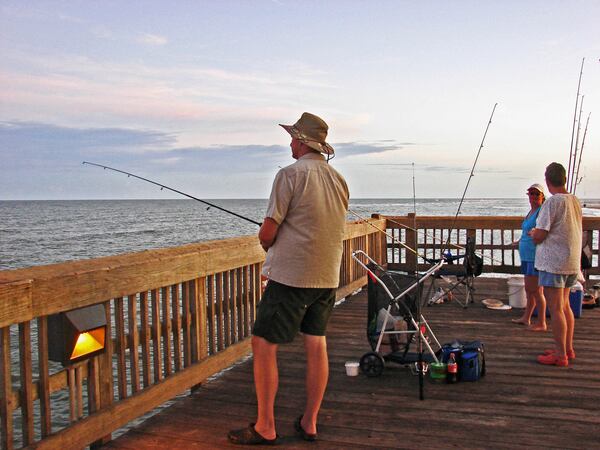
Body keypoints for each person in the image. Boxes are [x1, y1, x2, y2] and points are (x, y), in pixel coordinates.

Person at [228, 112, 349, 445]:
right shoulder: (339, 180)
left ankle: (265, 426)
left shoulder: (289, 175)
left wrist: (266, 242)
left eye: (293, 137)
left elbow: (268, 232)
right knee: (316, 342)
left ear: (301, 141)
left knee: (264, 344)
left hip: (291, 277)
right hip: (326, 277)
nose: (290, 142)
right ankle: (309, 422)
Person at [531, 162, 582, 367]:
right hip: (571, 261)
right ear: (564, 178)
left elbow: (541, 233)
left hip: (554, 263)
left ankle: (560, 355)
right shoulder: (574, 200)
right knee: (565, 306)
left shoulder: (552, 203)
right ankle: (567, 348)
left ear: (548, 180)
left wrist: (533, 234)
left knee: (556, 309)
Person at [511, 183, 547, 331]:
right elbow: (526, 231)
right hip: (525, 255)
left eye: (536, 194)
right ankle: (527, 318)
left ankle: (542, 322)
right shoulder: (530, 212)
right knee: (528, 289)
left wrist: (534, 233)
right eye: (531, 194)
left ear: (542, 197)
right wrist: (518, 242)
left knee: (537, 290)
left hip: (535, 256)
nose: (533, 197)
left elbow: (541, 232)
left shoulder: (541, 212)